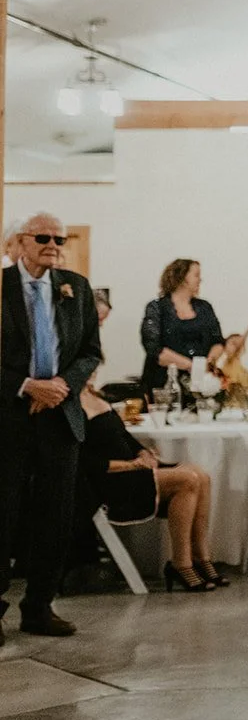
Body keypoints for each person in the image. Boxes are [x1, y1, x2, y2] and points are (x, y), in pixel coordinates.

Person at [0, 212, 103, 639]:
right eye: (42, 237)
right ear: (20, 242)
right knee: (3, 515)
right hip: (9, 417)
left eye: (59, 238)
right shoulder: (2, 288)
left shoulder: (75, 288)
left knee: (55, 517)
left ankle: (39, 606)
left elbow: (91, 352)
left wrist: (61, 385)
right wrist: (28, 386)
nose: (52, 244)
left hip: (60, 418)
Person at [80, 386, 225, 591]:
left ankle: (202, 557)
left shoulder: (94, 395)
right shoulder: (70, 405)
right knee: (187, 480)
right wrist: (130, 465)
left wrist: (143, 452)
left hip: (130, 470)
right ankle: (181, 563)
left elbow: (123, 436)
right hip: (110, 480)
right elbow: (85, 462)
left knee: (202, 476)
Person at [139, 259, 224, 399]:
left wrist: (208, 363)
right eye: (196, 275)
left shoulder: (205, 307)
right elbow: (154, 348)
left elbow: (218, 340)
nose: (200, 280)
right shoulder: (156, 308)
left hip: (200, 384)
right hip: (164, 383)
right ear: (182, 277)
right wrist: (191, 366)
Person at [216, 314, 248, 397]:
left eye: (238, 345)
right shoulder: (226, 363)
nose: (236, 346)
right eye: (233, 343)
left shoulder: (245, 373)